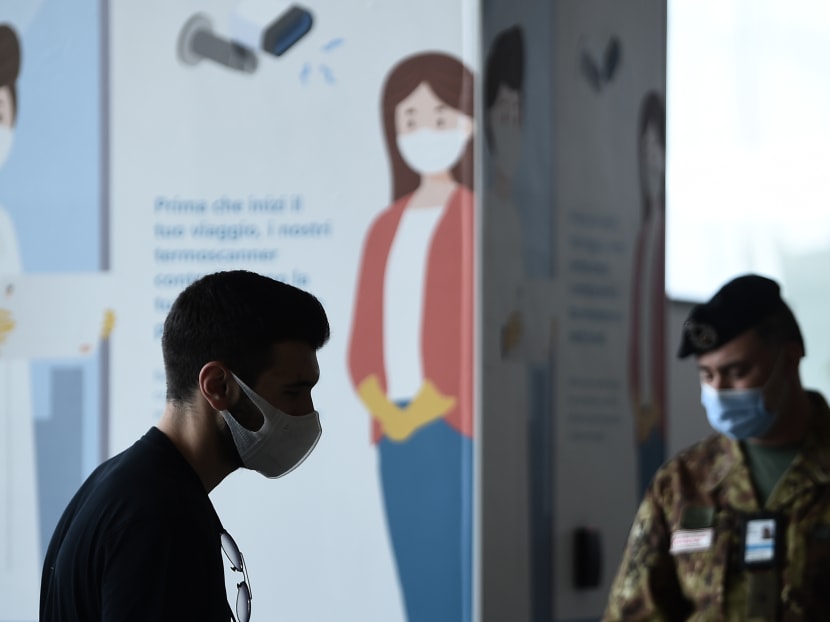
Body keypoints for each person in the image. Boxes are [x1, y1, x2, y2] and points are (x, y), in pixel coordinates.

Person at [40, 270, 330, 622]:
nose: (307, 413)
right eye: (294, 392)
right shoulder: (159, 518)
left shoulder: (118, 486)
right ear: (218, 386)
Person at [604, 273, 830, 620]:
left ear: (789, 357)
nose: (720, 389)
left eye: (737, 371)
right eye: (707, 375)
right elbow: (634, 612)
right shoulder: (683, 483)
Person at [348, 51, 475, 621]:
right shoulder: (385, 225)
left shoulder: (477, 220)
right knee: (416, 585)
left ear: (468, 125)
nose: (425, 132)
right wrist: (385, 408)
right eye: (410, 119)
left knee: (457, 583)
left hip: (451, 429)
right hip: (393, 431)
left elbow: (464, 340)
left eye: (440, 117)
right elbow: (362, 342)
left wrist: (424, 407)